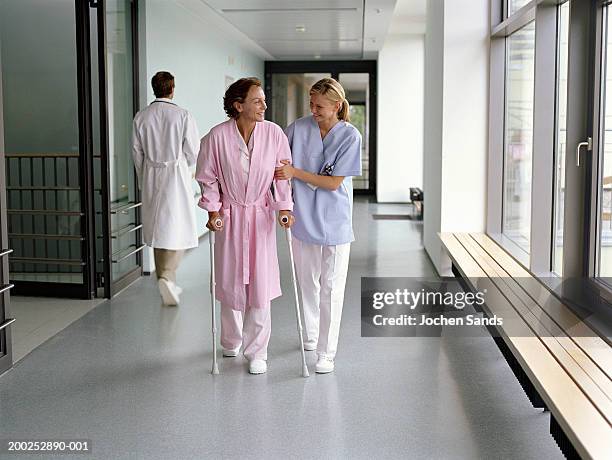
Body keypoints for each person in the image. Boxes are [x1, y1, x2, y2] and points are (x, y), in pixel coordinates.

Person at [196, 77, 294, 375]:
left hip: (260, 214)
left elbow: (281, 175)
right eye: (257, 101)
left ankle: (257, 351)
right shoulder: (216, 137)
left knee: (260, 284)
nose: (264, 105)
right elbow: (208, 176)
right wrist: (213, 209)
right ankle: (231, 340)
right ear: (239, 106)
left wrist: (284, 207)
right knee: (230, 280)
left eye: (263, 100)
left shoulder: (274, 133)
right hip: (231, 215)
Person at [274, 78, 362, 374]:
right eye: (311, 104)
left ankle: (326, 353)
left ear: (337, 106)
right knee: (307, 282)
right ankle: (311, 333)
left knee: (332, 288)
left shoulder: (350, 136)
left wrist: (296, 172)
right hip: (303, 218)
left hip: (335, 221)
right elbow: (276, 159)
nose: (313, 110)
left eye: (320, 106)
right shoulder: (298, 129)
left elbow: (333, 182)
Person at [132, 71, 200, 306]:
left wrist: (145, 177)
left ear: (154, 89)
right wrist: (185, 165)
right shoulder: (182, 115)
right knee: (178, 226)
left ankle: (164, 278)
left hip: (151, 173)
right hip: (175, 174)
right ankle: (167, 278)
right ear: (172, 89)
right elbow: (193, 151)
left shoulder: (141, 117)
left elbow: (136, 153)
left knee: (158, 228)